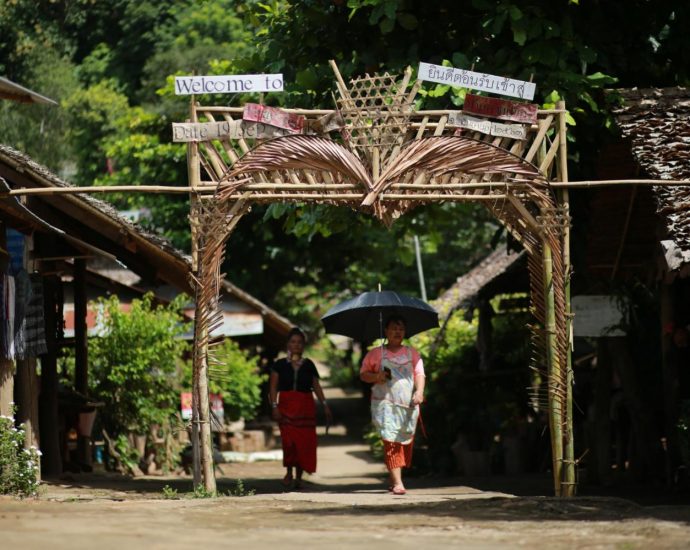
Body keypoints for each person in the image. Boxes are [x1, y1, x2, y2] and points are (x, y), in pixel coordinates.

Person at [360, 315, 425, 495]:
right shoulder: (375, 354)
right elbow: (363, 374)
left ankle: (393, 478)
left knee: (404, 442)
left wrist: (419, 392)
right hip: (385, 405)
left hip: (407, 405)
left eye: (401, 329)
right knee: (391, 441)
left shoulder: (412, 353)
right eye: (394, 328)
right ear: (386, 331)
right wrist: (376, 377)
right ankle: (398, 483)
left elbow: (420, 374)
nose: (398, 332)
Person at [269, 327, 332, 489]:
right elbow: (273, 387)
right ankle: (289, 471)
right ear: (287, 345)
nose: (296, 345)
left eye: (299, 342)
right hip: (286, 407)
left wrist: (324, 405)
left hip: (305, 407)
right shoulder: (280, 365)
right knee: (289, 443)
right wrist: (274, 406)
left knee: (303, 444)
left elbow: (316, 386)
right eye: (293, 342)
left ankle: (298, 477)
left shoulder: (309, 365)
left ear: (304, 346)